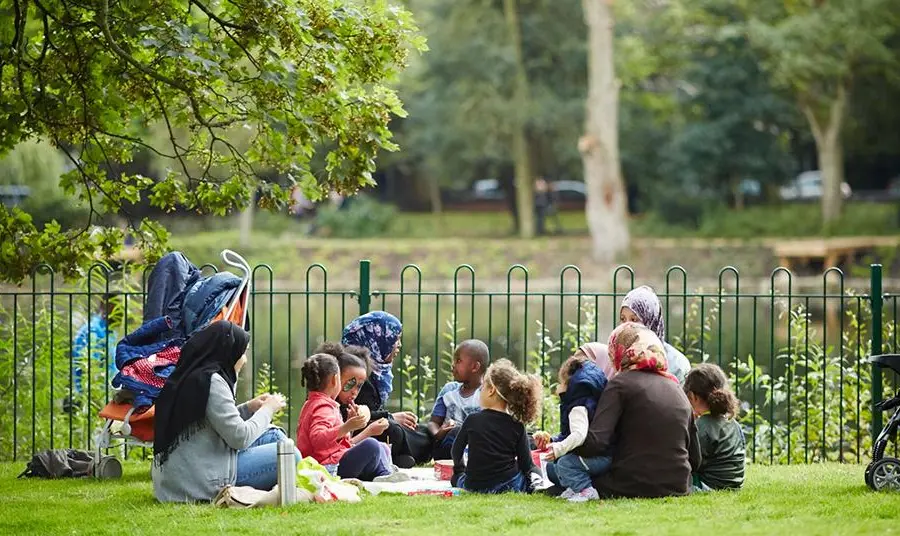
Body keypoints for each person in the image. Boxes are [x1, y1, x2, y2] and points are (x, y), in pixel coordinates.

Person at [151, 321, 295, 503]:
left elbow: (210, 423)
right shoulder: (213, 382)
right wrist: (268, 409)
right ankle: (294, 484)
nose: (244, 359)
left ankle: (290, 483)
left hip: (185, 476)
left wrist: (249, 408)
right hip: (202, 482)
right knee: (292, 456)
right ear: (229, 352)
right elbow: (239, 437)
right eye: (243, 353)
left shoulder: (194, 375)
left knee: (275, 436)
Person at [579, 322, 701, 499]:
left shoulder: (620, 384)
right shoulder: (677, 389)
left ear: (618, 350)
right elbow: (696, 460)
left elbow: (596, 443)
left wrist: (564, 446)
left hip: (629, 485)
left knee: (557, 471)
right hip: (678, 486)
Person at [295, 353, 401, 482]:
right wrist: (346, 427)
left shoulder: (317, 404)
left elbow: (337, 444)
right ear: (335, 380)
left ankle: (384, 474)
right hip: (326, 469)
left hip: (332, 462)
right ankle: (385, 474)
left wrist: (348, 426)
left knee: (381, 446)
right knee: (371, 445)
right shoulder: (322, 407)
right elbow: (318, 439)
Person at [340, 312, 426, 466]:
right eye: (395, 339)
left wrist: (389, 417)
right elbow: (349, 411)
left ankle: (408, 452)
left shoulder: (377, 370)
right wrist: (389, 417)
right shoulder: (353, 370)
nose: (398, 345)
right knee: (394, 430)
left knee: (420, 429)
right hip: (353, 429)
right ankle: (401, 456)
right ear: (376, 339)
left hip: (369, 425)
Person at [451, 359, 543, 494]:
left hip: (474, 485)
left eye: (482, 387)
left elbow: (455, 451)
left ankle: (460, 478)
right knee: (530, 471)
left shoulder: (472, 420)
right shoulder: (517, 425)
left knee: (457, 479)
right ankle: (537, 483)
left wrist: (459, 470)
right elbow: (526, 464)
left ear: (491, 391)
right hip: (508, 484)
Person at [534, 353, 610, 502]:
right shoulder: (590, 400)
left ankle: (585, 490)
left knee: (565, 463)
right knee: (555, 465)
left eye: (560, 382)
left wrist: (558, 449)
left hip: (600, 458)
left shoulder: (578, 406)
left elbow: (579, 435)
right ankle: (573, 488)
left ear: (569, 384)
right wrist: (553, 441)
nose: (557, 387)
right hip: (603, 455)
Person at [683, 363, 745, 491]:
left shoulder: (702, 426)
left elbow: (691, 462)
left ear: (692, 396)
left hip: (710, 486)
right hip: (734, 483)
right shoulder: (733, 423)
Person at [429, 340, 488, 460]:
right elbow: (433, 422)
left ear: (475, 367)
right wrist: (438, 432)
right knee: (455, 432)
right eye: (454, 360)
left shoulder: (487, 394)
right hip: (449, 445)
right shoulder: (449, 391)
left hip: (477, 447)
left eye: (458, 361)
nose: (453, 365)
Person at [620, 285, 691, 383]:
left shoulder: (677, 364)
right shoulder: (617, 357)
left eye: (634, 319)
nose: (627, 325)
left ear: (651, 320)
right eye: (623, 319)